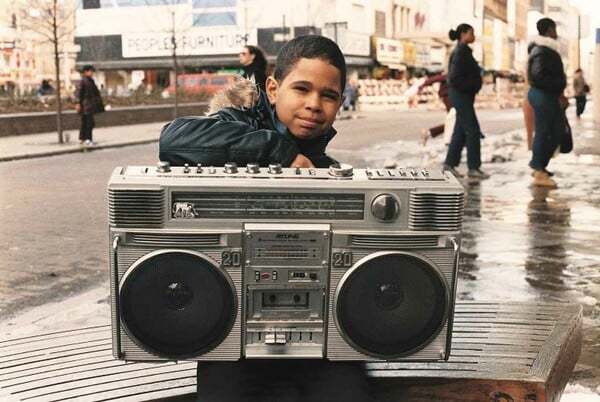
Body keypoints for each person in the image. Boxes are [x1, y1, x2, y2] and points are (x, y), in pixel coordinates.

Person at [160, 35, 346, 170]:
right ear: (273, 90)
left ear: (339, 104)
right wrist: (279, 153)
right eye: (301, 89)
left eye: (329, 96)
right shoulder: (242, 120)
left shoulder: (328, 169)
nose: (314, 104)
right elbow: (172, 139)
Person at [443, 24, 489, 179]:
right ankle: (473, 167)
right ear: (463, 35)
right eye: (471, 32)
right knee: (472, 130)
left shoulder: (464, 51)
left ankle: (449, 164)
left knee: (461, 131)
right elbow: (455, 78)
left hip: (463, 95)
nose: (474, 35)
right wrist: (471, 87)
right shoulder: (461, 52)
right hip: (461, 95)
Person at [527, 17, 567, 188]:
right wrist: (556, 88)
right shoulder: (541, 50)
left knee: (557, 130)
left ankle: (539, 165)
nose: (556, 32)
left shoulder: (547, 49)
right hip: (543, 95)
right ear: (549, 29)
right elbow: (537, 76)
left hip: (549, 95)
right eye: (554, 28)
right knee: (544, 132)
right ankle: (538, 169)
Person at [75, 65, 104, 145]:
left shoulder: (90, 81)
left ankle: (83, 138)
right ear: (86, 72)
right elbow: (79, 93)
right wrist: (78, 103)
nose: (91, 73)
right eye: (90, 71)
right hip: (86, 105)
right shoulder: (83, 82)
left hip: (88, 104)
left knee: (87, 122)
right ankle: (87, 138)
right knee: (88, 122)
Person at [418, 72, 451, 144]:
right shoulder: (451, 74)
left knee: (455, 120)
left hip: (449, 97)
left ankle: (429, 133)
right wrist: (422, 85)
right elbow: (434, 79)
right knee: (455, 120)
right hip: (449, 97)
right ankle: (429, 133)